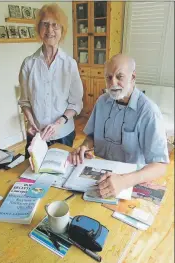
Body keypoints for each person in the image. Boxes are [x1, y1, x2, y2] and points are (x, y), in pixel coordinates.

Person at [70, 54, 169, 198]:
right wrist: (84, 146)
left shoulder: (149, 112)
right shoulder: (102, 102)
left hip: (130, 182)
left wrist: (124, 181)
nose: (112, 83)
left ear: (133, 77)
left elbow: (160, 166)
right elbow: (91, 135)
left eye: (119, 76)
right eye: (108, 77)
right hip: (99, 177)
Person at [18, 4, 83, 159]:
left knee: (59, 177)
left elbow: (76, 103)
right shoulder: (28, 64)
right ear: (39, 29)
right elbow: (25, 101)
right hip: (37, 134)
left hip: (63, 133)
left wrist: (59, 123)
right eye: (45, 24)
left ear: (62, 30)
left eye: (55, 25)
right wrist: (31, 121)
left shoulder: (70, 64)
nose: (50, 30)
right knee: (32, 175)